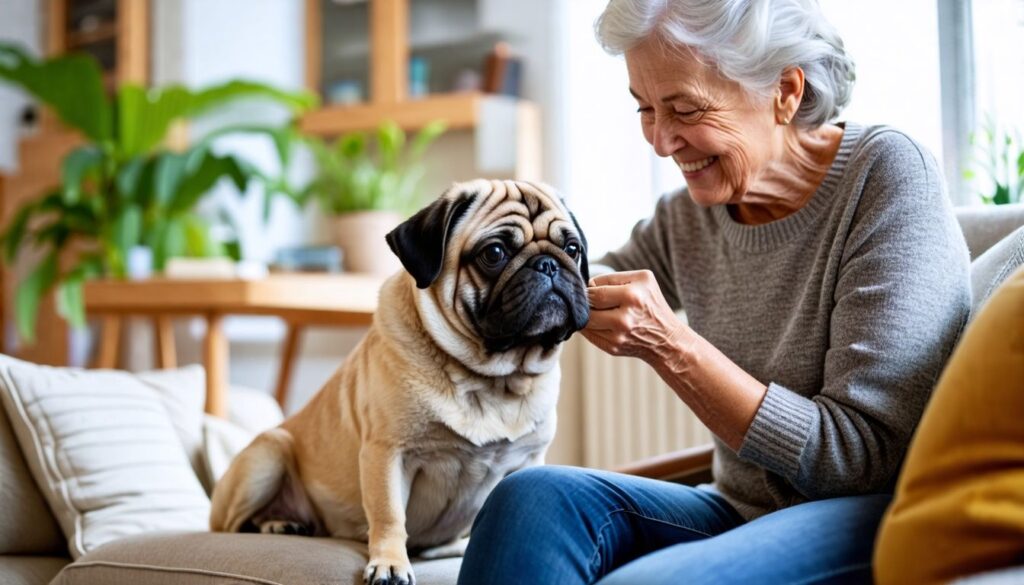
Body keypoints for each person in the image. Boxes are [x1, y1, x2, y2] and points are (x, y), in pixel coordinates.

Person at [456, 0, 971, 583]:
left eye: (684, 108)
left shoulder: (886, 177)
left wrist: (672, 346)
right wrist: (494, 270)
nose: (660, 140)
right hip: (739, 509)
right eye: (645, 109)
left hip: (874, 513)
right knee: (532, 498)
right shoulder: (693, 214)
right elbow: (590, 279)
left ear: (785, 92)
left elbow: (859, 458)